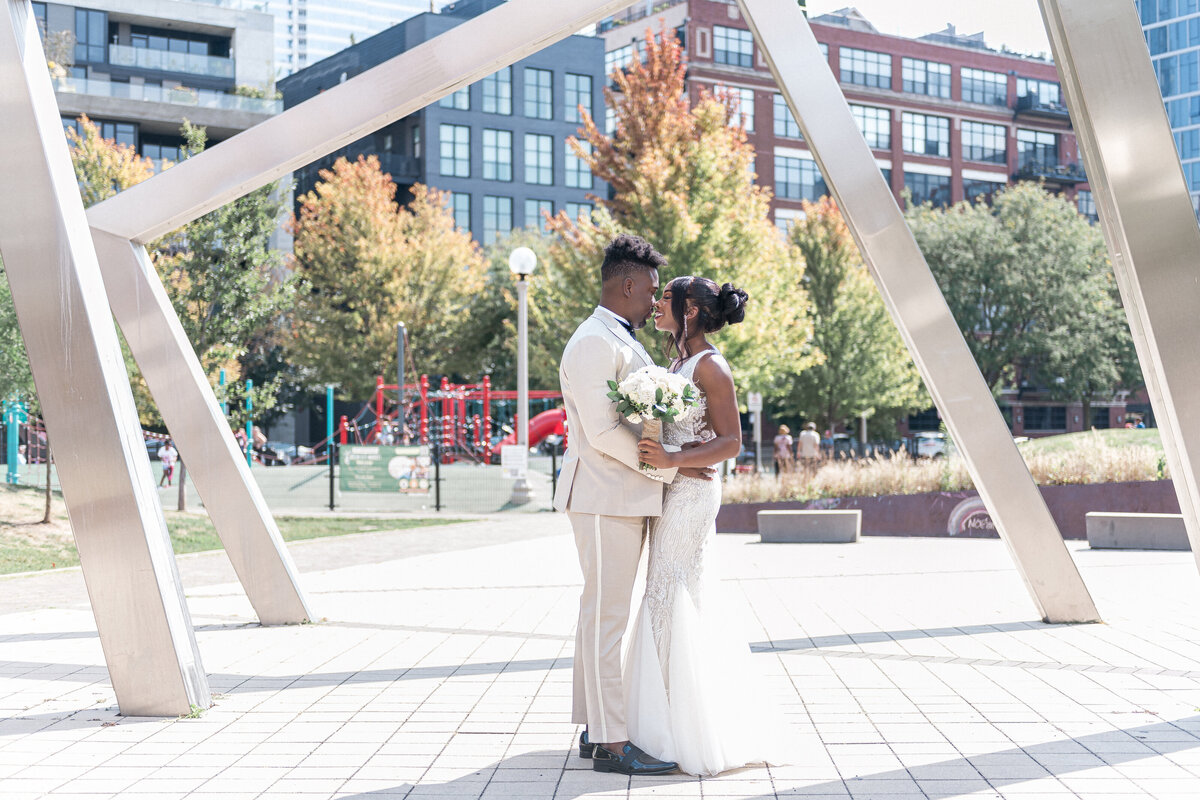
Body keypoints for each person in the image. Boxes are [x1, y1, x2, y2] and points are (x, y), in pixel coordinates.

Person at [555, 235, 714, 776]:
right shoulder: (592, 341)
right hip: (604, 498)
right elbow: (602, 431)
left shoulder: (618, 337)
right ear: (627, 286)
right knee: (607, 620)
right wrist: (670, 466)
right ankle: (612, 742)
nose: (654, 301)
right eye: (650, 291)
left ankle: (593, 726)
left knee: (599, 615)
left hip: (622, 496)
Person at [635, 275, 791, 776]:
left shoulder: (711, 366)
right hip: (673, 486)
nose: (656, 305)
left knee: (668, 590)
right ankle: (664, 715)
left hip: (694, 493)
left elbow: (731, 442)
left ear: (691, 311)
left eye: (666, 298)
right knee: (667, 591)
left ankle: (673, 728)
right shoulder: (676, 364)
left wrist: (675, 458)